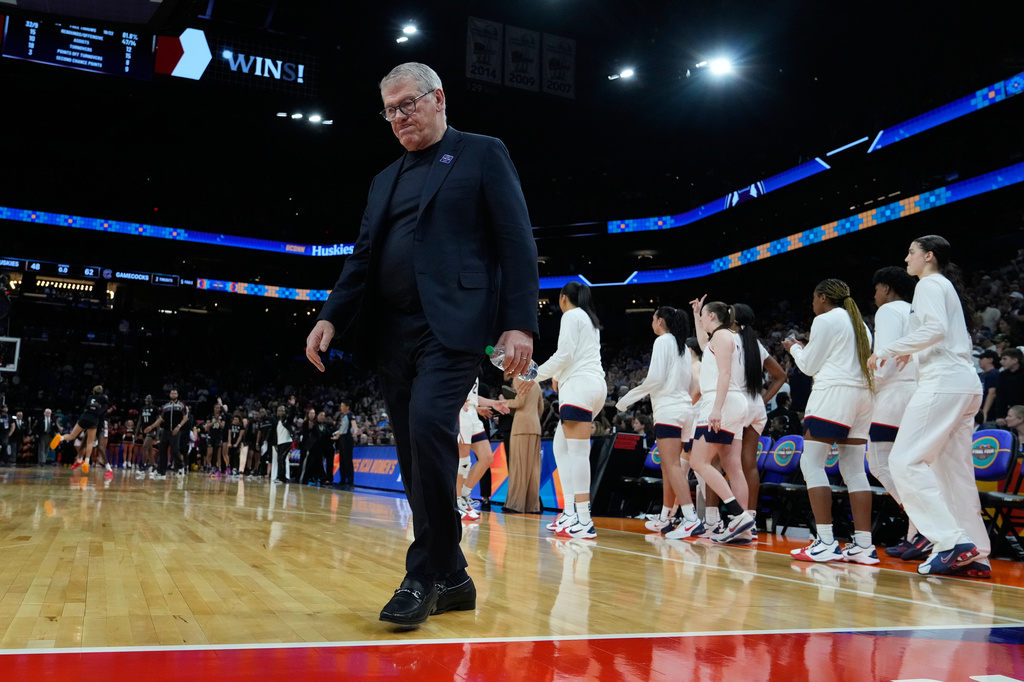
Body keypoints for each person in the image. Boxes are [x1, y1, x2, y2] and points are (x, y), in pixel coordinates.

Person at [304, 62, 538, 626]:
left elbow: (516, 239)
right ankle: (454, 575)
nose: (399, 118)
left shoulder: (482, 152)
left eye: (407, 104)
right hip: (391, 331)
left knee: (431, 426)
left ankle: (423, 573)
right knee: (412, 455)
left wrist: (519, 324)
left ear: (437, 98)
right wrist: (330, 318)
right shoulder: (385, 179)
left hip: (453, 327)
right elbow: (362, 257)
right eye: (389, 110)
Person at [868, 235, 989, 578]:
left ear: (929, 256)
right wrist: (912, 351)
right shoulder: (944, 287)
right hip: (964, 384)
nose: (907, 259)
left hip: (943, 384)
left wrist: (891, 349)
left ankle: (950, 541)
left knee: (903, 461)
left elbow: (934, 329)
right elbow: (949, 336)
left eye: (911, 252)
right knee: (956, 474)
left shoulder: (929, 284)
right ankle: (976, 553)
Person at [783, 279, 876, 564]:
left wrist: (795, 348)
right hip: (864, 396)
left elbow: (808, 365)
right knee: (854, 470)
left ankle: (825, 541)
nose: (812, 304)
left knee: (811, 463)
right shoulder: (861, 324)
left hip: (834, 394)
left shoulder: (825, 320)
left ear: (823, 297)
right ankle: (863, 545)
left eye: (813, 298)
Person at [527, 282, 605, 541]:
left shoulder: (571, 315)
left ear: (562, 299)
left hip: (579, 388)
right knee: (561, 447)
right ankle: (570, 511)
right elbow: (575, 356)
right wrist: (557, 374)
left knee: (578, 454)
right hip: (594, 389)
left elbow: (565, 354)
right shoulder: (589, 320)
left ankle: (584, 519)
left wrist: (535, 375)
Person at [615, 307, 701, 536]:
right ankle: (666, 517)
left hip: (669, 411)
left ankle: (691, 518)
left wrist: (625, 400)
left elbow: (654, 379)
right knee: (669, 468)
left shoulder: (663, 341)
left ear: (660, 321)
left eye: (653, 318)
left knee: (672, 466)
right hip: (684, 410)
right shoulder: (682, 345)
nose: (651, 322)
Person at [867, 266, 927, 560]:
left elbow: (886, 358)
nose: (875, 295)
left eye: (877, 289)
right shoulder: (915, 310)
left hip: (894, 394)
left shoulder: (888, 311)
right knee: (909, 466)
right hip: (916, 391)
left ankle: (927, 527)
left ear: (887, 289)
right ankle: (917, 533)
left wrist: (869, 388)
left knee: (879, 462)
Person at [687, 298, 755, 544]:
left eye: (704, 316)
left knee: (699, 462)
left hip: (721, 403)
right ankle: (744, 528)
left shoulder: (723, 336)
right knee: (733, 466)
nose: (702, 320)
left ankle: (737, 515)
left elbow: (725, 373)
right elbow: (705, 344)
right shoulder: (726, 337)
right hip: (734, 404)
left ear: (713, 317)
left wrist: (716, 408)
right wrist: (695, 314)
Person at [503, 376, 544, 513]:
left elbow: (520, 402)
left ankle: (515, 504)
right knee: (533, 468)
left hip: (521, 426)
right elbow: (541, 408)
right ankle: (532, 506)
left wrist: (504, 402)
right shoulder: (536, 383)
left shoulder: (518, 380)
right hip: (535, 426)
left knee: (518, 465)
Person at [62, 386, 112, 474]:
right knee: (82, 446)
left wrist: (101, 409)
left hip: (99, 427)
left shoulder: (103, 405)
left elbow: (99, 412)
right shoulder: (95, 403)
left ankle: (109, 469)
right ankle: (79, 461)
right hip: (91, 425)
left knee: (100, 447)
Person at [148, 389, 189, 479]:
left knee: (175, 450)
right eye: (172, 393)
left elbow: (185, 418)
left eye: (175, 393)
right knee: (162, 451)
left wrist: (178, 427)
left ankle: (180, 467)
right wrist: (151, 426)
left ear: (177, 394)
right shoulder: (166, 406)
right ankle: (161, 472)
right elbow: (161, 419)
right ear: (170, 395)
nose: (173, 394)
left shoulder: (181, 405)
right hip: (165, 431)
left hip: (175, 431)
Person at [333, 400, 355, 488]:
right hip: (342, 439)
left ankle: (350, 481)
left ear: (347, 407)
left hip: (347, 439)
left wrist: (356, 431)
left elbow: (352, 427)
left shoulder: (350, 415)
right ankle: (342, 480)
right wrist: (336, 435)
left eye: (342, 406)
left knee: (348, 460)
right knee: (342, 460)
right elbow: (342, 428)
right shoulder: (344, 416)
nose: (341, 408)